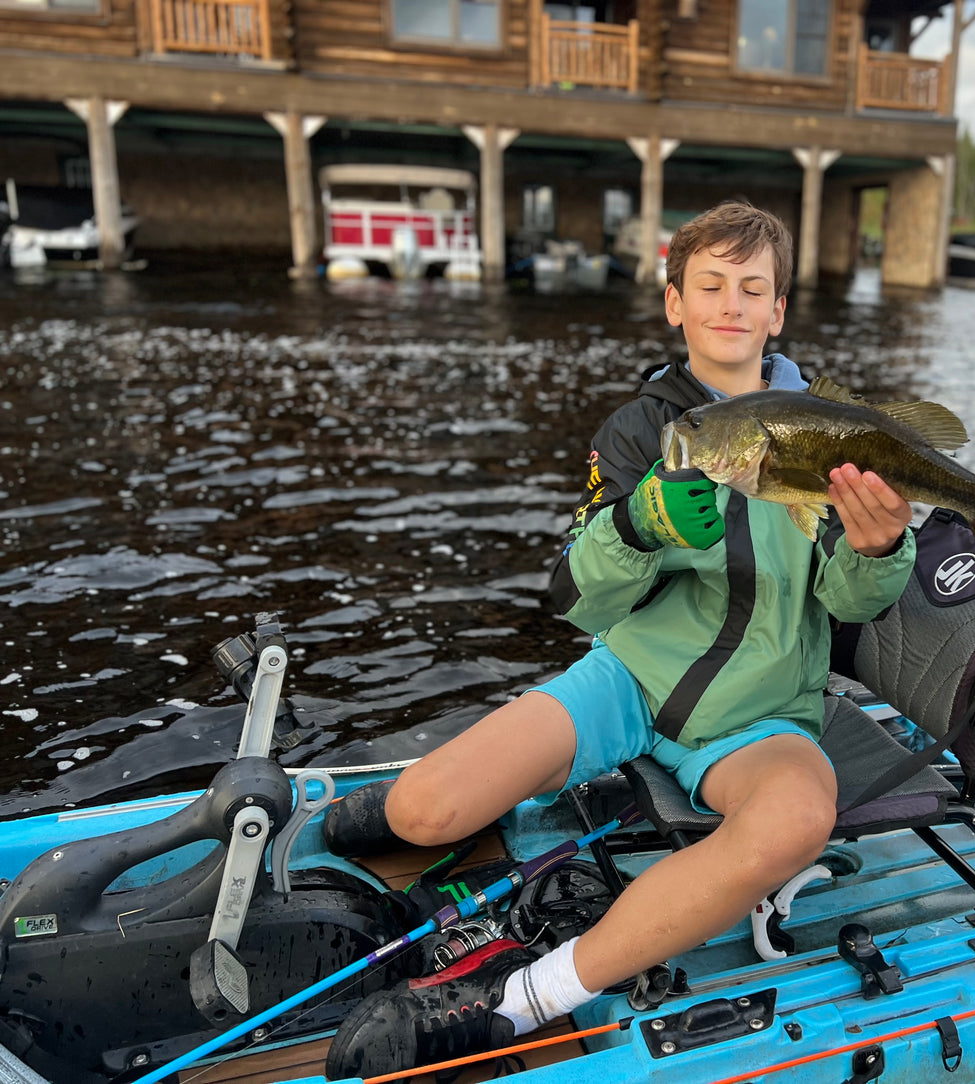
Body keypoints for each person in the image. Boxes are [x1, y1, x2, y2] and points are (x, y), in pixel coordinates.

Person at [326, 200, 917, 1076]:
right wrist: (636, 526)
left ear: (778, 312)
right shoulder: (641, 431)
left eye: (753, 289)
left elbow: (849, 600)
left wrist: (880, 548)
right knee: (420, 814)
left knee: (798, 815)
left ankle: (526, 998)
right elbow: (574, 595)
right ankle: (415, 806)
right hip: (629, 679)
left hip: (758, 717)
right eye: (709, 284)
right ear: (673, 302)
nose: (730, 303)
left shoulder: (827, 436)